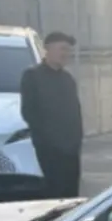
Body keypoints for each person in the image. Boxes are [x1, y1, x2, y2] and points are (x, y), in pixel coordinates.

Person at [20, 31, 84, 198]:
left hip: (70, 150)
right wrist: (47, 140)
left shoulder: (67, 79)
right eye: (62, 49)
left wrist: (76, 141)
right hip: (48, 150)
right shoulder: (33, 76)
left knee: (70, 194)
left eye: (68, 50)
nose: (65, 54)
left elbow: (75, 113)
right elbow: (29, 112)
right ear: (48, 49)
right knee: (52, 192)